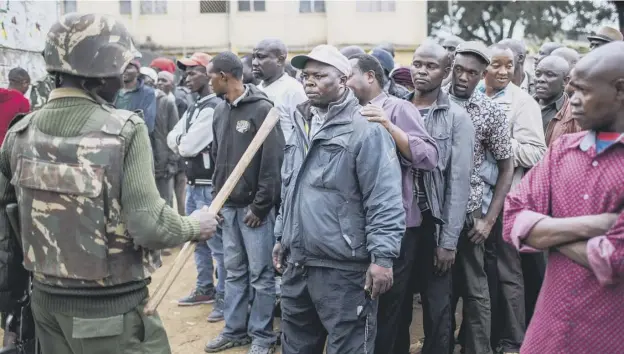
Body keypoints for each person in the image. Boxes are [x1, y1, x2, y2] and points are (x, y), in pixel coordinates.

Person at [0, 13, 218, 354]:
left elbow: (7, 232)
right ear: (100, 75)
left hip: (46, 307)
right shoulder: (124, 130)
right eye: (120, 68)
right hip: (110, 314)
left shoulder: (19, 133)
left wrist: (11, 314)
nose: (122, 77)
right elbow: (149, 225)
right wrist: (195, 225)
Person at [272, 44, 404, 354]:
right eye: (306, 75)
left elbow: (384, 200)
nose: (310, 82)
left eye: (320, 75)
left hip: (344, 270)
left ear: (343, 80)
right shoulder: (301, 123)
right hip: (298, 262)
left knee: (349, 347)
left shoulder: (365, 130)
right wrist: (282, 236)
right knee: (296, 346)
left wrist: (382, 258)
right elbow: (289, 186)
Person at [503, 41, 624, 354]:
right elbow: (511, 219)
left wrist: (543, 233)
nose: (573, 103)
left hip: (606, 335)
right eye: (570, 93)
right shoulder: (562, 150)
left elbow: (614, 260)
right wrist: (595, 225)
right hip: (547, 332)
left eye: (583, 91)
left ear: (620, 90)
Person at [346, 52, 439, 354]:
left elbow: (428, 157)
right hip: (357, 228)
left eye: (349, 75)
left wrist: (388, 125)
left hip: (396, 228)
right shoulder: (346, 112)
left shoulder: (398, 108)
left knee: (390, 311)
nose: (344, 82)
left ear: (370, 77)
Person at [397, 40, 475, 354]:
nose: (422, 71)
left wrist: (448, 241)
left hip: (434, 222)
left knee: (438, 305)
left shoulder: (456, 118)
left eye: (431, 66)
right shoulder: (394, 107)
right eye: (417, 64)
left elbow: (458, 184)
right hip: (398, 223)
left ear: (445, 72)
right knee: (395, 302)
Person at [204, 52, 284, 354]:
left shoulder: (263, 110)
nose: (210, 81)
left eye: (212, 75)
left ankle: (263, 335)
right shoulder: (219, 110)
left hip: (254, 212)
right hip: (227, 208)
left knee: (261, 275)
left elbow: (272, 164)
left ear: (224, 76)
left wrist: (260, 207)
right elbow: (218, 161)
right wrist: (217, 203)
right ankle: (235, 330)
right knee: (234, 270)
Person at [447, 41, 514, 354]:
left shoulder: (490, 112)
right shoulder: (433, 102)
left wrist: (489, 220)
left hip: (471, 214)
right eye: (458, 69)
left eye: (471, 73)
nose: (462, 77)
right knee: (438, 292)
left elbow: (506, 167)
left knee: (476, 292)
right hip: (432, 212)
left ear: (482, 76)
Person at [479, 43, 546, 354]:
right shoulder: (472, 94)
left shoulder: (523, 102)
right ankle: (483, 337)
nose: (504, 72)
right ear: (484, 67)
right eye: (496, 65)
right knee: (480, 273)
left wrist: (498, 145)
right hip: (474, 202)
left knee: (508, 272)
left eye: (509, 66)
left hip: (508, 200)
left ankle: (513, 341)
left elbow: (537, 152)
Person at [167, 52, 226, 322]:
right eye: (185, 73)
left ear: (208, 74)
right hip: (193, 184)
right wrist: (182, 141)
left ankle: (225, 296)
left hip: (208, 186)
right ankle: (205, 288)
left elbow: (187, 146)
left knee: (218, 247)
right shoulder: (195, 106)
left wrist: (181, 142)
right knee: (196, 241)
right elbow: (174, 139)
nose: (186, 78)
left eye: (193, 73)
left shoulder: (213, 106)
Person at [253, 38, 308, 143]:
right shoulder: (256, 90)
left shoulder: (293, 90)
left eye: (261, 57)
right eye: (254, 57)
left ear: (280, 60)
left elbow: (304, 132)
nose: (255, 63)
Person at [535, 56, 579, 147]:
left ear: (565, 81)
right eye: (538, 74)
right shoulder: (522, 104)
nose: (541, 79)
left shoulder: (574, 115)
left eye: (550, 75)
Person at [152, 72, 179, 208]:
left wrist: (172, 162)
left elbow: (175, 133)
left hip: (164, 163)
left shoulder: (168, 103)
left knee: (165, 203)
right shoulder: (150, 100)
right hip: (150, 160)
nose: (160, 83)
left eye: (164, 80)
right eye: (158, 80)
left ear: (172, 85)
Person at [114, 59, 157, 133]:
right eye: (122, 67)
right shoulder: (114, 89)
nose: (124, 70)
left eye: (128, 67)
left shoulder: (147, 93)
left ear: (137, 72)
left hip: (134, 136)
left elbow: (148, 123)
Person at [0, 68, 31, 144]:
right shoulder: (23, 102)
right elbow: (24, 132)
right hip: (5, 148)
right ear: (24, 83)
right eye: (28, 85)